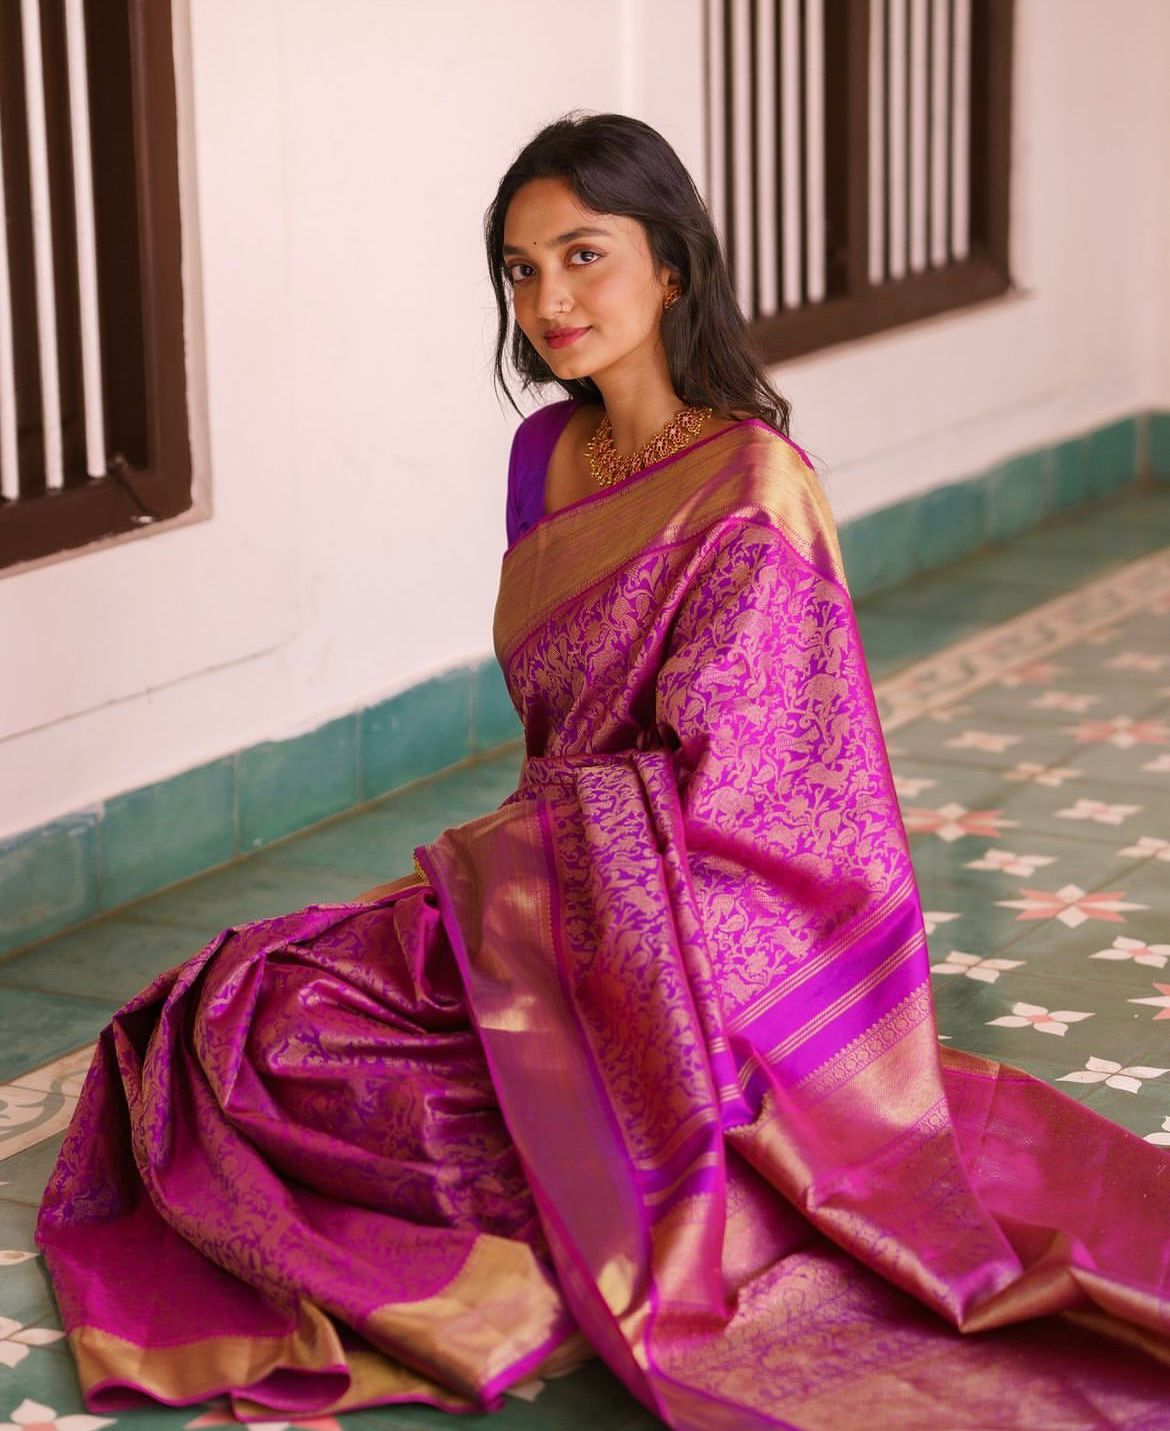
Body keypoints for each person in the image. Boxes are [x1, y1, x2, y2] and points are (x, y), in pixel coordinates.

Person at [35, 111, 1170, 1431]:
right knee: (247, 1021)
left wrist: (535, 877)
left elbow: (770, 805)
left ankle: (629, 1180)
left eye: (583, 256)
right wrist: (511, 888)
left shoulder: (750, 486)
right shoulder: (544, 455)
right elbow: (557, 746)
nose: (550, 299)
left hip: (680, 948)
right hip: (535, 909)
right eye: (520, 270)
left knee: (416, 1116)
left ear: (671, 266)